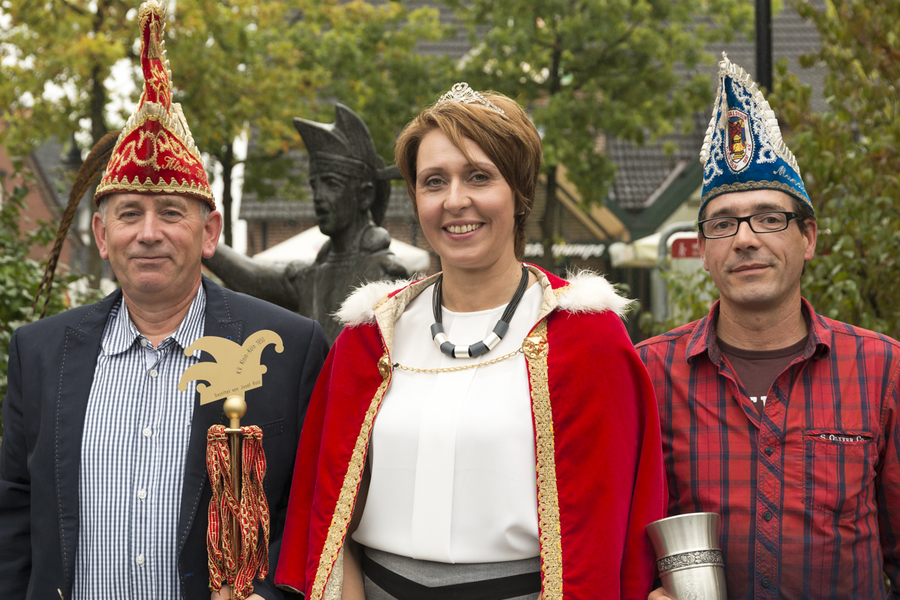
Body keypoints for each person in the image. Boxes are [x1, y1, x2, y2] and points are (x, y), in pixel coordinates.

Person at [273, 82, 667, 600]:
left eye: (479, 176)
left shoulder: (586, 337)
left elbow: (614, 525)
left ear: (519, 193)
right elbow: (327, 515)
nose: (455, 201)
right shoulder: (371, 337)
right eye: (434, 181)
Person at [0, 3, 328, 599]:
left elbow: (314, 508)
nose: (148, 233)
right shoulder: (39, 352)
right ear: (102, 236)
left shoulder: (291, 348)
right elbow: (15, 514)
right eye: (129, 214)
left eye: (171, 212)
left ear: (210, 233)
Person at [638, 54, 900, 599]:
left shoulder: (882, 369)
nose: (745, 239)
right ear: (703, 250)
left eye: (769, 218)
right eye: (723, 223)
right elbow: (616, 539)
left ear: (808, 238)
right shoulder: (648, 373)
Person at [204, 104, 409, 344]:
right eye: (314, 186)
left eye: (331, 184)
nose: (318, 196)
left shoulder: (385, 275)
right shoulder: (313, 274)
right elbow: (252, 277)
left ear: (365, 195)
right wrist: (198, 235)